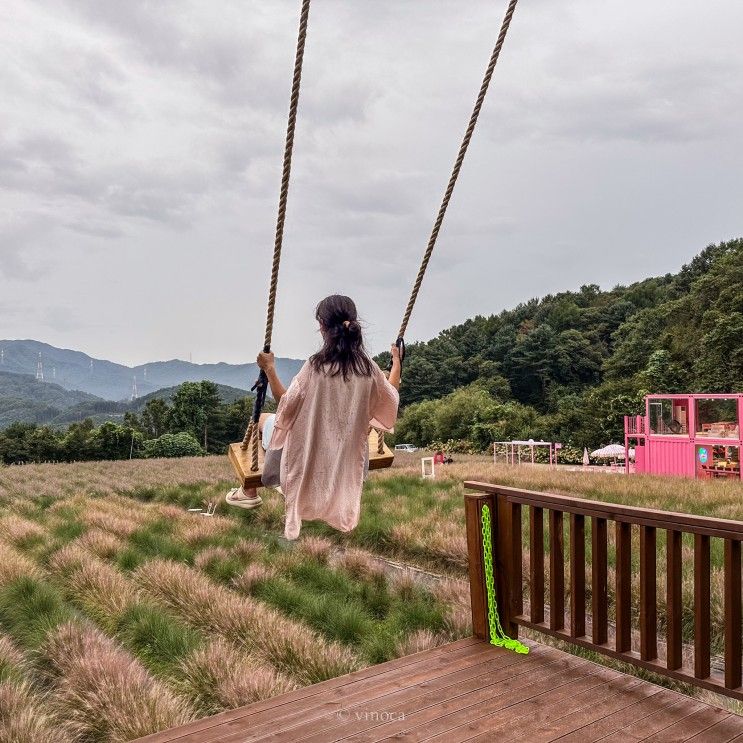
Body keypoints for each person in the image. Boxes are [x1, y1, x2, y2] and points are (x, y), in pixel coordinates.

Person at [227, 295, 401, 540]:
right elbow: (391, 397)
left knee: (268, 419)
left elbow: (286, 405)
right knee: (283, 424)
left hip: (307, 458)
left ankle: (250, 492)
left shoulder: (316, 366)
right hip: (347, 464)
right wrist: (396, 361)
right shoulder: (369, 369)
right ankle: (254, 490)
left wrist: (270, 369)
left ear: (322, 326)